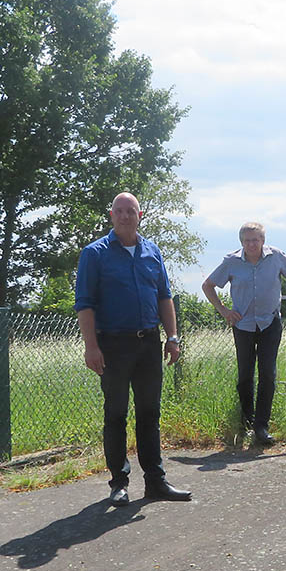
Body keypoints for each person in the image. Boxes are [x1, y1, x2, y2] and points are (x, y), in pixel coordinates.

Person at [75, 192, 191, 506]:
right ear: (111, 215)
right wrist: (91, 347)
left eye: (131, 211)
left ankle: (156, 482)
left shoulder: (152, 252)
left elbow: (164, 297)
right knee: (116, 414)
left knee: (150, 413)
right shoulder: (94, 254)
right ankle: (119, 483)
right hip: (112, 345)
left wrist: (173, 337)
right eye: (120, 211)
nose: (126, 216)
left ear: (140, 215)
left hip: (149, 343)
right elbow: (84, 304)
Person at [203, 223, 286, 445]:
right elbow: (208, 285)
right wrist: (224, 310)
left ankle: (262, 426)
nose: (251, 244)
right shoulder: (231, 261)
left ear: (263, 240)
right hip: (242, 325)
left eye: (255, 240)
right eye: (247, 241)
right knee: (245, 375)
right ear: (241, 242)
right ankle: (247, 420)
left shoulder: (276, 257)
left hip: (269, 323)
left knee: (268, 374)